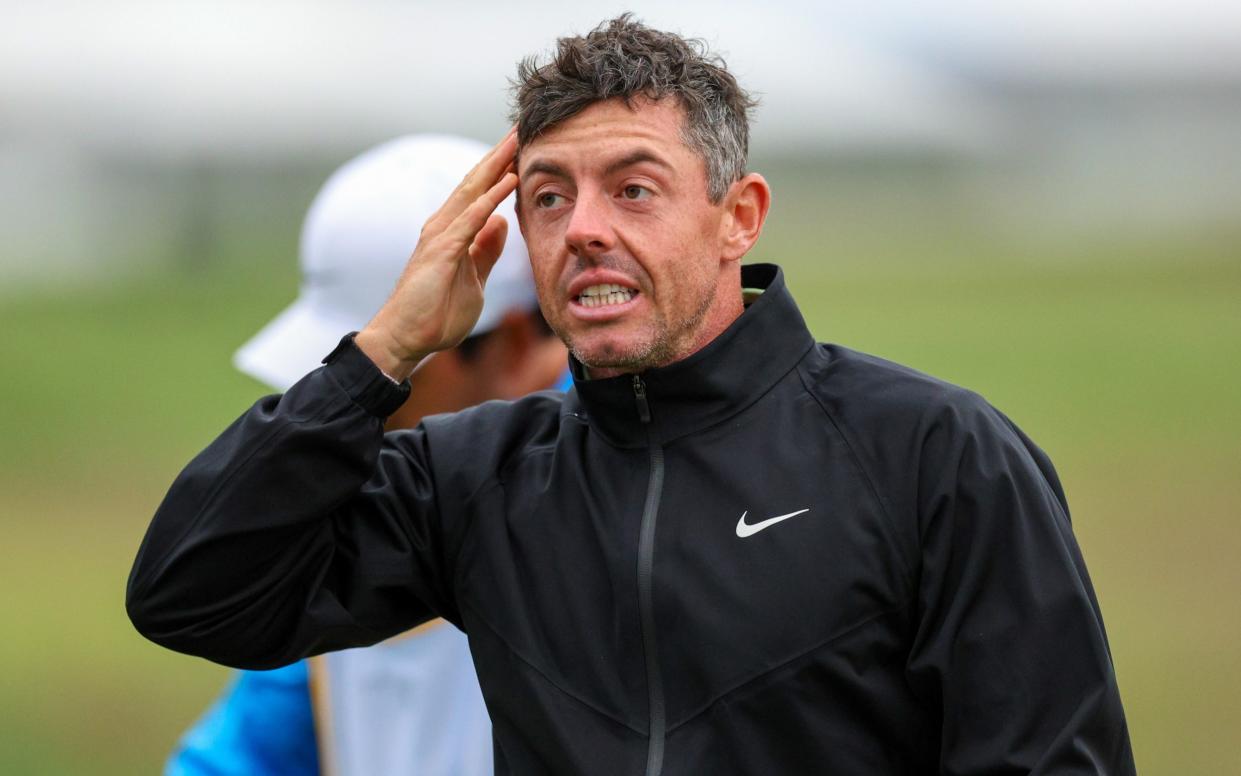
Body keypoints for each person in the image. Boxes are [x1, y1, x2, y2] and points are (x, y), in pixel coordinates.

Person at [129, 15, 1136, 775]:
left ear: (736, 215)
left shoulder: (934, 450)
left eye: (634, 188)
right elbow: (191, 594)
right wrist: (384, 347)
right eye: (548, 197)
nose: (584, 229)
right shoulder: (469, 476)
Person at [163, 134, 568, 776]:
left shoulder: (639, 492)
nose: (352, 419)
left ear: (512, 345)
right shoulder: (372, 515)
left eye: (395, 375)